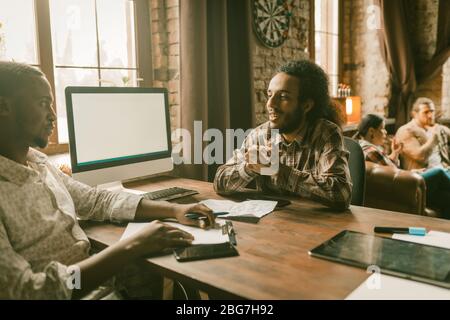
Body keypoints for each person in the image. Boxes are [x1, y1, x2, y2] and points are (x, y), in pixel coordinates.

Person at [0, 61, 214, 299]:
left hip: (106, 287)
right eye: (42, 104)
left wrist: (175, 210)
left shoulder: (39, 163)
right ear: (3, 106)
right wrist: (130, 246)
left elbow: (95, 199)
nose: (52, 116)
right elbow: (30, 291)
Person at [214, 60, 352, 210]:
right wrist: (249, 167)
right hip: (271, 225)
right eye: (270, 95)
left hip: (315, 226)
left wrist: (280, 171)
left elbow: (341, 194)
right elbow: (220, 182)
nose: (270, 104)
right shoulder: (260, 135)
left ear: (306, 105)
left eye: (283, 97)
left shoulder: (325, 133)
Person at [354, 114, 450, 217]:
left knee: (445, 196)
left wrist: (395, 153)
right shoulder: (371, 151)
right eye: (382, 129)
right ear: (371, 131)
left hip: (402, 183)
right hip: (405, 186)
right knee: (439, 172)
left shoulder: (362, 146)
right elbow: (393, 177)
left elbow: (387, 170)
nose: (385, 132)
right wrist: (410, 173)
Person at [395, 97, 450, 170]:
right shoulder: (406, 131)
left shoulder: (440, 129)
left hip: (444, 169)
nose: (430, 115)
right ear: (414, 114)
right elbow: (421, 157)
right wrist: (434, 139)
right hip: (423, 174)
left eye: (432, 111)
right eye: (426, 112)